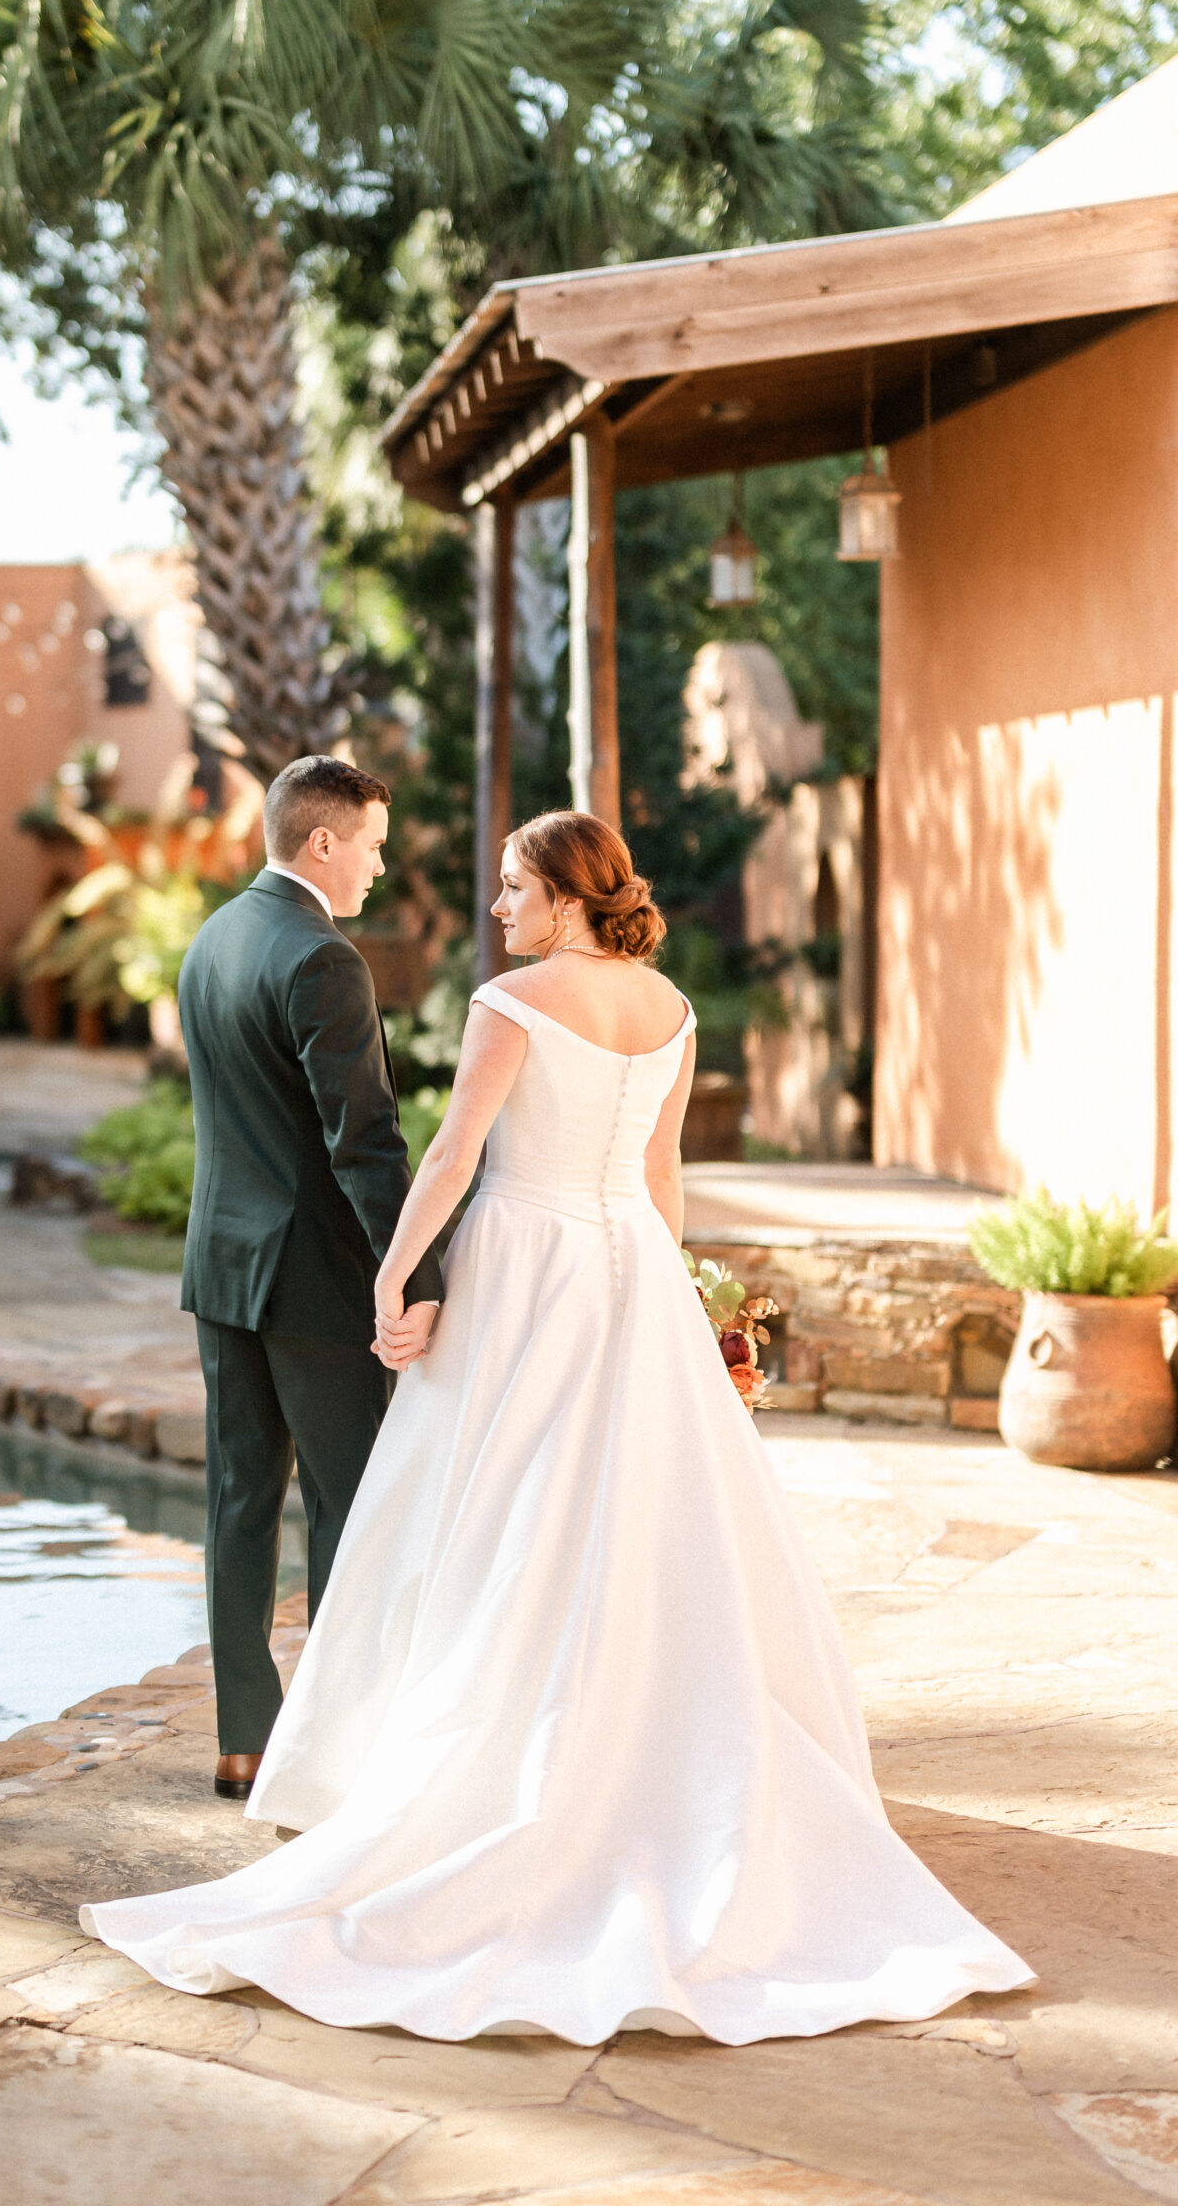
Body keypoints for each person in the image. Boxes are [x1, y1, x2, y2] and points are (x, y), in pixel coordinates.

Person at [83, 809, 1032, 2044]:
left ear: (564, 897)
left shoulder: (513, 1002)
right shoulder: (671, 1008)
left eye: (511, 886)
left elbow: (450, 1158)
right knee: (631, 1517)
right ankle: (644, 1757)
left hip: (523, 1271)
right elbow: (660, 1180)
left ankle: (465, 1770)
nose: (496, 907)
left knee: (485, 1516)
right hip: (625, 1273)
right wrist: (682, 1292)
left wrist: (393, 1282)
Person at [175, 755, 444, 1803]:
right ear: (320, 841)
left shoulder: (213, 938)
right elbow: (363, 1143)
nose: (378, 866)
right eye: (371, 844)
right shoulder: (321, 958)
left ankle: (244, 1737)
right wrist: (417, 1272)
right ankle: (333, 1743)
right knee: (347, 1501)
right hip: (312, 1280)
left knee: (239, 1499)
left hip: (221, 1269)